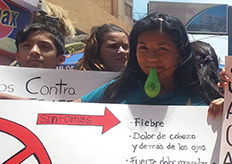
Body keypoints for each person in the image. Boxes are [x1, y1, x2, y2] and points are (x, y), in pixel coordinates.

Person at [77, 12, 221, 105]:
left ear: (181, 55)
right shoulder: (117, 90)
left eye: (162, 49)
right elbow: (66, 113)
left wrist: (225, 112)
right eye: (143, 48)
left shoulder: (201, 102)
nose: (151, 58)